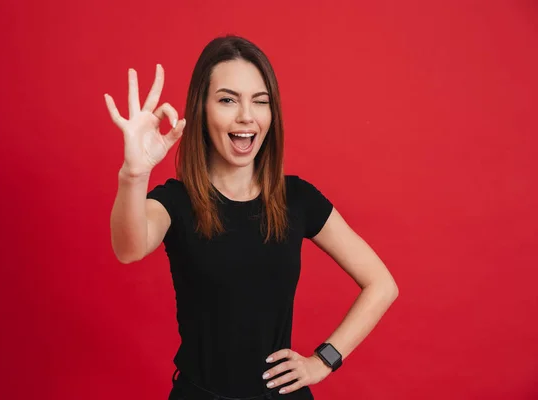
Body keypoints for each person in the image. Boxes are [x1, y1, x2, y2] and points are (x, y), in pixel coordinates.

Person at [105, 35, 399, 400]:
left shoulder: (297, 198)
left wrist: (323, 361)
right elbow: (128, 248)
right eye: (228, 100)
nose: (246, 115)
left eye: (260, 102)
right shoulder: (176, 201)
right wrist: (134, 174)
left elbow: (382, 284)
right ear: (202, 109)